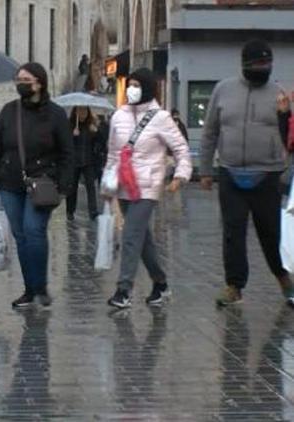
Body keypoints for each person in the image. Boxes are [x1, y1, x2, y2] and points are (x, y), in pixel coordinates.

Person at [200, 39, 293, 307]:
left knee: (271, 233)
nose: (263, 68)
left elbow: (290, 138)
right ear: (244, 65)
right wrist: (206, 170)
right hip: (230, 172)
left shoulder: (279, 94)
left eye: (267, 63)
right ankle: (234, 286)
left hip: (268, 175)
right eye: (258, 63)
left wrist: (285, 115)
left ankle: (283, 278)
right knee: (233, 232)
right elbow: (209, 132)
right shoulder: (223, 90)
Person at [0, 62, 73, 308]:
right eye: (18, 79)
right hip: (10, 183)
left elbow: (67, 153)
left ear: (39, 83)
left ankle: (41, 287)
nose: (20, 83)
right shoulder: (10, 111)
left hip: (42, 183)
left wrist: (64, 186)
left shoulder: (55, 114)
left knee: (34, 231)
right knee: (21, 236)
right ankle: (29, 289)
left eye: (25, 79)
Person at [104, 67, 192, 309]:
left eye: (136, 85)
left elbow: (181, 149)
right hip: (124, 184)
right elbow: (113, 152)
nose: (132, 89)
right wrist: (107, 183)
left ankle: (124, 290)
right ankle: (160, 283)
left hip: (148, 185)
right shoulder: (118, 116)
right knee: (143, 240)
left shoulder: (161, 118)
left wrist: (180, 176)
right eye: (129, 85)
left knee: (131, 234)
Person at [66, 106, 101, 221]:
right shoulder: (70, 125)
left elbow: (100, 142)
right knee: (72, 188)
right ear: (75, 112)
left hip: (88, 161)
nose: (82, 113)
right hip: (74, 162)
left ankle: (93, 212)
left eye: (85, 111)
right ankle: (70, 211)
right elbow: (64, 143)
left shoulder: (90, 126)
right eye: (80, 111)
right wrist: (72, 135)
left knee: (91, 187)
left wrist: (96, 132)